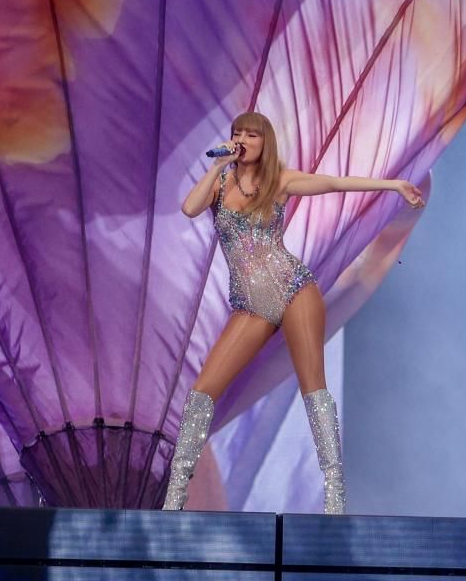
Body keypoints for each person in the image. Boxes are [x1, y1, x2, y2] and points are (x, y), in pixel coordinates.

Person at [161, 110, 424, 514]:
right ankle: (175, 495)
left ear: (265, 141)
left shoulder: (279, 180)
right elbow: (189, 208)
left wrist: (391, 185)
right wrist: (217, 167)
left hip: (292, 288)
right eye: (239, 134)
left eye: (252, 134)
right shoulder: (220, 182)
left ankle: (335, 492)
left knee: (313, 386)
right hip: (250, 303)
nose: (244, 140)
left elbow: (334, 183)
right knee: (201, 393)